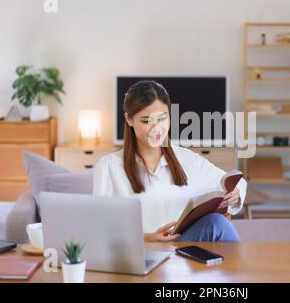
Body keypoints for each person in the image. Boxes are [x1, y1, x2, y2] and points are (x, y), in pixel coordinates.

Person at [93, 80, 247, 242]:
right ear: (129, 119)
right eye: (147, 121)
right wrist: (148, 238)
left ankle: (241, 268)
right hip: (141, 253)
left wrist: (235, 195)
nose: (157, 128)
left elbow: (237, 183)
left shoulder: (186, 159)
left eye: (162, 118)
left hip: (180, 254)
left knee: (217, 223)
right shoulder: (108, 167)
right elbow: (98, 229)